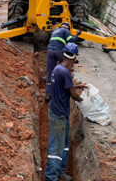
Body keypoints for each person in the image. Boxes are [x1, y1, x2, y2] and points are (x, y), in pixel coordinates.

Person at [45, 43, 86, 181]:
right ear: (74, 57)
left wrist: (78, 85)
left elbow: (65, 86)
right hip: (58, 114)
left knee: (64, 143)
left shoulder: (57, 69)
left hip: (59, 112)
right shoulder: (65, 72)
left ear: (64, 54)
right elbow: (73, 94)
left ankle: (61, 170)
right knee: (56, 146)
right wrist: (83, 101)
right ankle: (51, 176)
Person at [45, 22, 81, 101]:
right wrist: (77, 34)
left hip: (50, 52)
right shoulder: (65, 30)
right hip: (59, 51)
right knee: (65, 69)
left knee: (50, 72)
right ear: (67, 27)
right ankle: (63, 89)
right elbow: (71, 41)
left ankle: (48, 94)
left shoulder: (55, 31)